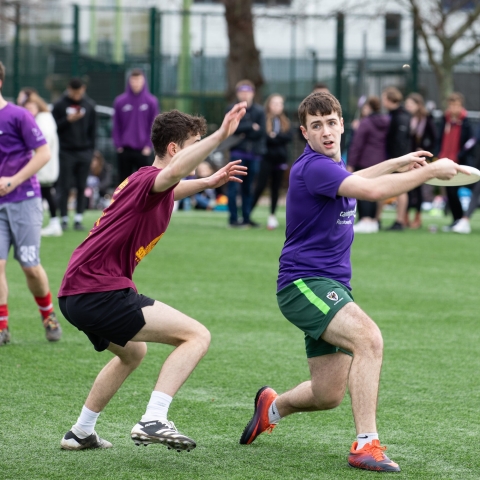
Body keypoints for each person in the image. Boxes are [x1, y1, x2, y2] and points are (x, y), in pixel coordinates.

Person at [239, 92, 468, 472]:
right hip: (303, 284)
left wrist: (397, 162)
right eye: (316, 125)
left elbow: (354, 178)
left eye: (331, 122)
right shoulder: (314, 166)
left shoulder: (331, 164)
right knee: (369, 338)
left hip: (329, 285)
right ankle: (366, 444)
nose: (326, 131)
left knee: (328, 394)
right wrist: (428, 172)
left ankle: (272, 406)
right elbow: (373, 192)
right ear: (304, 132)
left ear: (343, 124)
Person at [58, 104, 247, 451]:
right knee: (196, 336)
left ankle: (81, 431)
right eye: (196, 143)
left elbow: (171, 189)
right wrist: (221, 136)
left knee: (133, 352)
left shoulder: (145, 181)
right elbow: (170, 178)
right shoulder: (152, 179)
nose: (201, 150)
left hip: (75, 293)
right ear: (174, 149)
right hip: (99, 291)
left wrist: (208, 181)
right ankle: (153, 418)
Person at [0, 61, 62, 346]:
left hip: (24, 200)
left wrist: (12, 180)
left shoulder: (18, 116)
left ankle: (48, 315)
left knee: (30, 266)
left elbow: (43, 153)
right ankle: (2, 326)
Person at [52, 78, 96, 231]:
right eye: (74, 92)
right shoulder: (59, 105)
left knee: (81, 185)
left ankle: (78, 219)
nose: (77, 95)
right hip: (65, 151)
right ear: (69, 89)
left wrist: (91, 152)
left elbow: (93, 131)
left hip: (84, 152)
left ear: (83, 89)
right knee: (64, 186)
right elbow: (53, 128)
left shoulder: (89, 106)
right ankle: (63, 218)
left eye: (79, 92)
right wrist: (67, 120)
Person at [18, 89, 62, 237]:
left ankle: (54, 224)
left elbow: (42, 143)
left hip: (44, 165)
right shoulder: (42, 117)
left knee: (45, 193)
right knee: (45, 193)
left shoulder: (43, 120)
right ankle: (49, 223)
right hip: (44, 165)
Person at [347, 96, 389, 233]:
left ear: (368, 107)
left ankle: (365, 220)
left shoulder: (365, 123)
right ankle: (372, 221)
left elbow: (356, 145)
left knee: (363, 190)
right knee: (375, 190)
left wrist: (351, 163)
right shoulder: (386, 121)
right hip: (381, 161)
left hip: (365, 161)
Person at [227, 80, 266, 228]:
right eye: (242, 91)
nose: (245, 94)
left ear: (253, 93)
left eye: (248, 91)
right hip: (237, 153)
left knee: (248, 187)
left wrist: (244, 131)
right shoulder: (231, 109)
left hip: (254, 154)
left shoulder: (259, 111)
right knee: (233, 186)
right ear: (237, 93)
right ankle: (233, 218)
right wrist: (250, 126)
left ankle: (246, 218)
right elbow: (231, 129)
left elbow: (261, 132)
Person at [435, 92, 476, 232]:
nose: (453, 108)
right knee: (449, 191)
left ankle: (460, 219)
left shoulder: (466, 122)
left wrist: (460, 155)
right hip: (444, 159)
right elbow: (439, 139)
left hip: (459, 161)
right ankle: (456, 219)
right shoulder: (444, 120)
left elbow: (471, 142)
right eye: (451, 105)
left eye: (456, 105)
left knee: (455, 190)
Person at [251, 93, 292, 230]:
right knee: (260, 186)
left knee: (276, 188)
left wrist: (276, 136)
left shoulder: (285, 121)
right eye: (275, 103)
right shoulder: (264, 119)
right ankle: (247, 213)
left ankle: (272, 216)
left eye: (280, 103)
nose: (278, 106)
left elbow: (288, 137)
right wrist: (275, 138)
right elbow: (266, 137)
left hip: (280, 159)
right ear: (269, 105)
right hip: (266, 158)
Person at [112, 69, 159, 184]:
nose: (136, 83)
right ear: (129, 81)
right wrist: (118, 145)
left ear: (143, 81)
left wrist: (148, 146)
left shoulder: (151, 101)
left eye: (138, 80)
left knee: (144, 183)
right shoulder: (120, 101)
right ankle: (124, 203)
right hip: (124, 150)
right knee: (123, 184)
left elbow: (155, 126)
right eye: (133, 80)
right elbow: (115, 125)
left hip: (143, 151)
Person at [404, 93, 437, 229]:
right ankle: (405, 216)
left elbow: (435, 138)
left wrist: (424, 149)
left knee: (418, 188)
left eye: (410, 104)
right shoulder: (406, 118)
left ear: (418, 105)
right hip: (407, 158)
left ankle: (417, 217)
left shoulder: (426, 120)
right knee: (406, 186)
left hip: (420, 158)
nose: (408, 107)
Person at [380, 86, 411, 230]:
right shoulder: (397, 114)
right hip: (397, 158)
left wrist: (398, 161)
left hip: (398, 159)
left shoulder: (400, 116)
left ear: (389, 99)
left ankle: (399, 221)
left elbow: (399, 141)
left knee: (401, 189)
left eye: (384, 98)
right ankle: (379, 218)